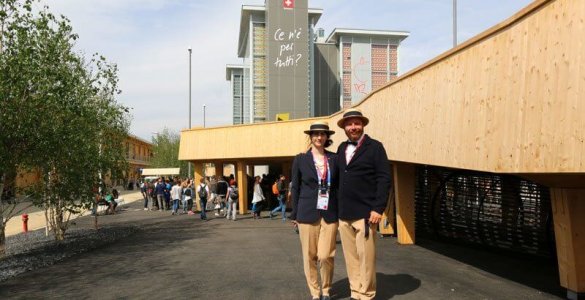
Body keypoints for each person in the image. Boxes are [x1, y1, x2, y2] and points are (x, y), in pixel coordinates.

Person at [335, 109, 391, 300]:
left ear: (363, 125)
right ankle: (355, 292)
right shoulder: (341, 148)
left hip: (366, 215)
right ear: (344, 128)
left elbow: (384, 179)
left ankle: (366, 295)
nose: (353, 127)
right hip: (344, 214)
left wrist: (378, 208)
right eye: (349, 124)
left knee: (366, 259)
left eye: (357, 123)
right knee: (351, 260)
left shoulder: (375, 147)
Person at [290, 121, 339, 300]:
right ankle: (315, 292)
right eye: (316, 134)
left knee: (326, 255)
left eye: (323, 134)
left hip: (330, 212)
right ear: (310, 137)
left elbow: (339, 187)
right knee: (309, 256)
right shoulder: (300, 159)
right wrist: (294, 214)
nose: (319, 137)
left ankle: (326, 289)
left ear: (327, 137)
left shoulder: (335, 159)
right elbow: (295, 188)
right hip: (307, 211)